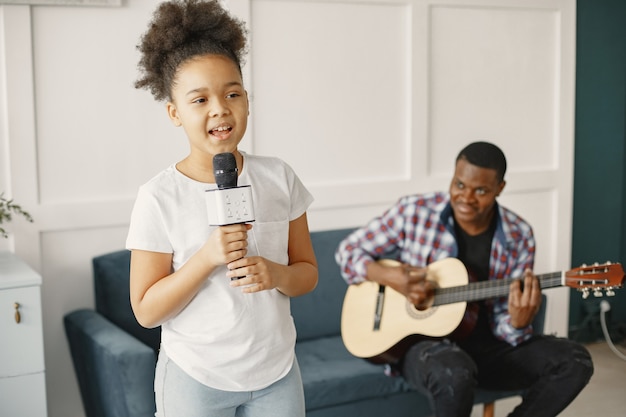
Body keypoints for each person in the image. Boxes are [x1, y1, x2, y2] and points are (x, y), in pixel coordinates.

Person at [126, 1, 318, 416]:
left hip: (277, 375)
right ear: (175, 113)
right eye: (200, 99)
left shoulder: (279, 177)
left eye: (232, 93)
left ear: (247, 101)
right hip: (195, 380)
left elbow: (307, 274)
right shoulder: (158, 197)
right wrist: (208, 257)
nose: (219, 108)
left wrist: (277, 273)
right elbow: (146, 310)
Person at [335, 141, 593, 417]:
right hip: (425, 348)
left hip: (488, 347)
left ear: (500, 189)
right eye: (459, 185)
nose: (466, 198)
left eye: (480, 190)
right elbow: (347, 251)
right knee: (454, 372)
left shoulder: (519, 236)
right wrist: (390, 276)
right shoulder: (414, 212)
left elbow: (506, 328)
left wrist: (518, 322)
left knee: (575, 361)